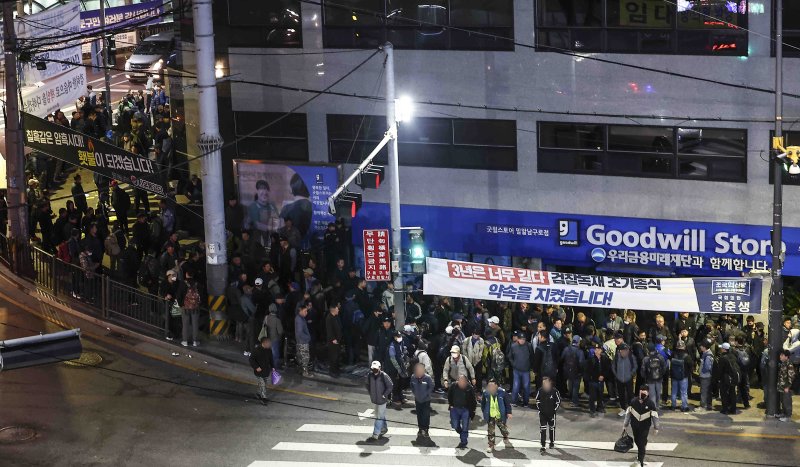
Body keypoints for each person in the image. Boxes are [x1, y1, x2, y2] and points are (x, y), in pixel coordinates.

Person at [623, 384, 661, 467]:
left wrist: (656, 427)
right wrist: (625, 425)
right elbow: (628, 414)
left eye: (644, 393)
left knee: (641, 443)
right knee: (637, 440)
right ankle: (643, 449)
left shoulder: (650, 403)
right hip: (634, 425)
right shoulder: (633, 401)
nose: (642, 395)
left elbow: (655, 416)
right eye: (641, 393)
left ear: (647, 393)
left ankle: (640, 460)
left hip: (645, 427)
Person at [481, 379, 512, 452]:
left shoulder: (502, 392)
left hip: (500, 415)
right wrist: (485, 412)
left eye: (492, 385)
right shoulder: (485, 393)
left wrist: (509, 412)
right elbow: (483, 404)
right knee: (490, 431)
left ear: (496, 386)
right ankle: (491, 445)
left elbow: (507, 404)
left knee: (503, 428)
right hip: (491, 415)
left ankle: (505, 436)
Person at [448, 375, 477, 449]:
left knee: (465, 427)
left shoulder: (469, 388)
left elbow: (473, 401)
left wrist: (473, 411)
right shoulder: (453, 386)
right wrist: (451, 404)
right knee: (454, 425)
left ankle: (463, 442)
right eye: (460, 381)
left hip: (465, 410)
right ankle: (462, 433)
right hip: (455, 409)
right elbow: (449, 395)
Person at [366, 361, 393, 441]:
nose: (374, 370)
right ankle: (384, 428)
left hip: (382, 400)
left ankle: (376, 434)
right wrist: (371, 392)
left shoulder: (384, 376)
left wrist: (384, 394)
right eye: (373, 369)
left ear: (380, 368)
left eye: (375, 369)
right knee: (380, 415)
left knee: (378, 417)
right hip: (375, 399)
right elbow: (367, 384)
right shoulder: (369, 375)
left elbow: (390, 386)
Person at [508, 331, 533, 407]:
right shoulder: (513, 346)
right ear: (517, 339)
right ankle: (513, 401)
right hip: (516, 370)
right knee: (516, 386)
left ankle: (526, 402)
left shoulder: (529, 345)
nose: (522, 340)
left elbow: (532, 356)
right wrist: (514, 364)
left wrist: (530, 366)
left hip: (526, 370)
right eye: (521, 339)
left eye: (523, 339)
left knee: (526, 387)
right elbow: (510, 357)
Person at [612, 342, 638, 416]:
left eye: (625, 350)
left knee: (630, 394)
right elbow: (613, 366)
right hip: (619, 379)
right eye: (622, 350)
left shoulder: (631, 356)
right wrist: (616, 375)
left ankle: (631, 409)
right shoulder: (617, 357)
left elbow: (635, 366)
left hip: (628, 379)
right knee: (621, 394)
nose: (624, 352)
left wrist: (631, 374)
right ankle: (623, 408)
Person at [410, 363, 435, 437]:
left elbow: (431, 386)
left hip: (426, 400)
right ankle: (420, 428)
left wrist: (427, 394)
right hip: (417, 399)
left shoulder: (428, 378)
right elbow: (411, 385)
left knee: (426, 415)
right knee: (419, 414)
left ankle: (426, 429)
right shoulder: (413, 377)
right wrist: (415, 394)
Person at [586, 341, 610, 417]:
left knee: (600, 394)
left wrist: (603, 376)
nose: (597, 350)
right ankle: (592, 410)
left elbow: (607, 369)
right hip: (593, 380)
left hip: (601, 381)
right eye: (595, 349)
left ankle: (600, 407)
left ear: (601, 350)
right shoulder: (591, 359)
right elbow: (589, 371)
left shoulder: (604, 358)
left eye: (598, 349)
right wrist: (597, 377)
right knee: (592, 396)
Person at [249, 337, 274, 405]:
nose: (269, 344)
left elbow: (271, 359)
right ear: (264, 343)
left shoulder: (269, 350)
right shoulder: (256, 350)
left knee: (264, 384)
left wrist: (273, 367)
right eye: (268, 343)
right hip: (259, 372)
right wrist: (256, 367)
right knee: (263, 384)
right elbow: (251, 359)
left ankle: (258, 393)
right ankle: (264, 398)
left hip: (266, 371)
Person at [641, 344, 666, 412]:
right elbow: (664, 367)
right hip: (659, 379)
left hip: (650, 379)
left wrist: (644, 377)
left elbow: (643, 369)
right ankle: (657, 406)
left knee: (652, 394)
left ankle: (653, 408)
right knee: (658, 393)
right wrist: (661, 375)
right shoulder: (660, 357)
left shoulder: (646, 358)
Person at [670, 340, 693, 412]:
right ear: (684, 347)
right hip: (683, 377)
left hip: (674, 376)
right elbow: (691, 366)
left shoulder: (673, 354)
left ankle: (673, 405)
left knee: (674, 391)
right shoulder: (687, 356)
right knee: (684, 392)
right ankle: (684, 406)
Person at [777, 349, 796, 422]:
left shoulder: (789, 364)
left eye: (782, 355)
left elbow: (791, 376)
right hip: (782, 387)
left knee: (787, 402)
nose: (780, 356)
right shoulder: (783, 363)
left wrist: (788, 387)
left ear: (786, 356)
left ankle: (788, 416)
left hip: (786, 388)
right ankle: (784, 414)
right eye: (780, 355)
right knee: (783, 401)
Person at [295, 302, 313, 377]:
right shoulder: (299, 319)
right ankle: (305, 373)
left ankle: (300, 371)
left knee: (300, 357)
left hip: (300, 341)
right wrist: (307, 338)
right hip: (303, 342)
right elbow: (299, 332)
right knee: (305, 358)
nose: (306, 312)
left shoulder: (300, 318)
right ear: (300, 310)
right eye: (305, 311)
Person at [326, 304, 343, 377]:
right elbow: (329, 330)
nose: (338, 310)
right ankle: (332, 371)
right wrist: (333, 339)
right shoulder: (329, 318)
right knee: (333, 357)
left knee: (337, 356)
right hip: (333, 341)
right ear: (333, 310)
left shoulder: (335, 317)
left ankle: (336, 369)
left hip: (337, 340)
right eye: (337, 309)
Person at [698, 339, 714, 411]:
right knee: (707, 391)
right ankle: (708, 405)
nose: (700, 347)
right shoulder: (706, 353)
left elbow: (707, 367)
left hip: (705, 376)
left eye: (701, 346)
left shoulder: (708, 356)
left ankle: (703, 406)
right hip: (706, 376)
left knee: (704, 391)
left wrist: (701, 371)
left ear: (704, 347)